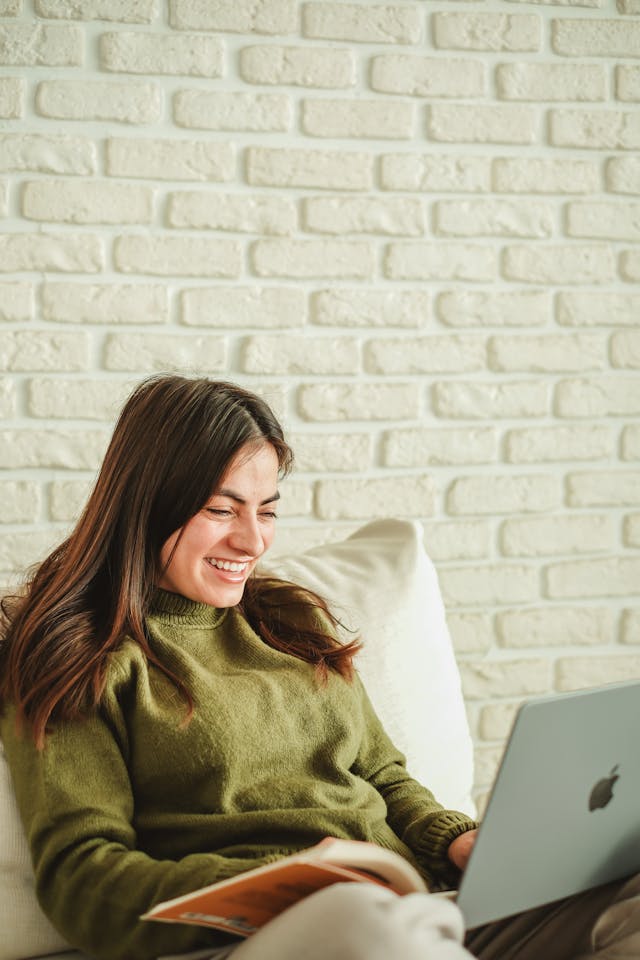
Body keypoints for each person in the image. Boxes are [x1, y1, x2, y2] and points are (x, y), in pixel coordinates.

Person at [0, 374, 638, 960]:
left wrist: (456, 840)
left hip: (419, 912)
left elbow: (385, 777)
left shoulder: (289, 622)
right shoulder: (78, 656)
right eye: (221, 510)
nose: (252, 541)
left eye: (267, 510)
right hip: (281, 936)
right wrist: (284, 884)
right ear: (147, 503)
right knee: (366, 919)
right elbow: (83, 880)